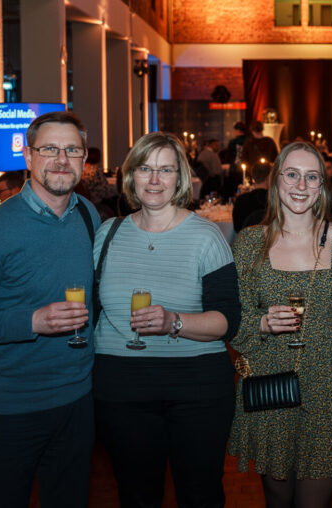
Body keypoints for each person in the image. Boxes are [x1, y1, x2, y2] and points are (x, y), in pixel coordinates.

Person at [0, 111, 101, 508]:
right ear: (28, 156)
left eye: (72, 150)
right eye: (50, 149)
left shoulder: (88, 214)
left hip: (77, 401)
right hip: (10, 409)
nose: (62, 159)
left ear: (85, 160)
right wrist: (32, 320)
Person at [92, 131, 241, 507]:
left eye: (165, 170)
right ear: (130, 176)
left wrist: (174, 321)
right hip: (122, 392)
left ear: (180, 178)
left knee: (200, 496)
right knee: (136, 496)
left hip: (197, 393)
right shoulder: (107, 234)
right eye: (145, 169)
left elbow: (228, 321)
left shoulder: (207, 237)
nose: (154, 179)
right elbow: (91, 311)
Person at [228, 142, 332, 507]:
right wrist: (262, 323)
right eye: (292, 174)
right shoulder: (251, 241)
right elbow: (233, 321)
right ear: (276, 181)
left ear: (322, 186)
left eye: (312, 176)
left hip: (327, 382)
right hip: (270, 381)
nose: (301, 184)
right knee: (276, 497)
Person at [234, 161, 272, 232]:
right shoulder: (272, 200)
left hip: (245, 240)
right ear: (269, 177)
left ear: (253, 177)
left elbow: (237, 228)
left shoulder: (241, 199)